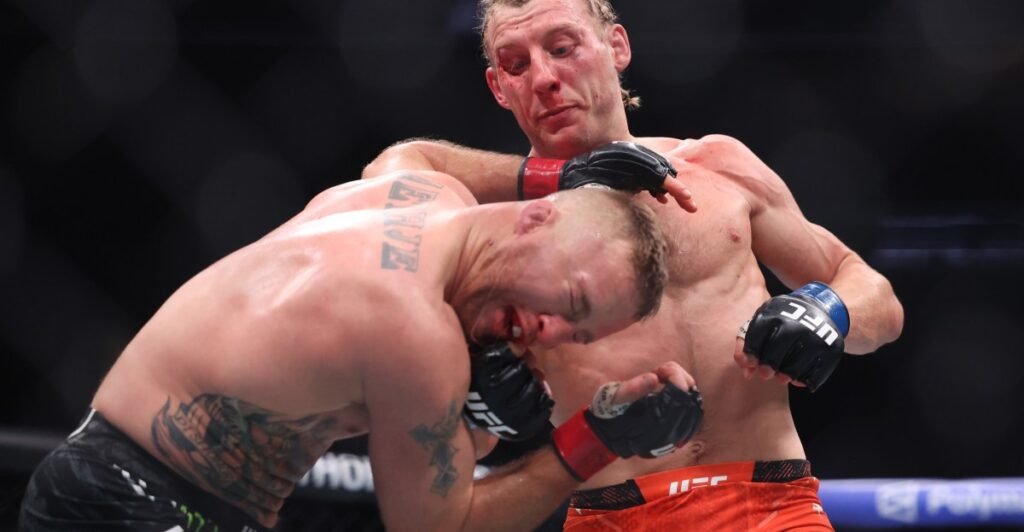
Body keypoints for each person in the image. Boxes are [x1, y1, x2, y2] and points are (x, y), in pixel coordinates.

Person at [362, 0, 906, 529]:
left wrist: (828, 310)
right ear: (498, 88)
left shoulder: (719, 167)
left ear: (616, 45)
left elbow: (877, 300)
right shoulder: (501, 233)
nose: (544, 78)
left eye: (562, 48)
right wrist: (480, 401)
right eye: (517, 64)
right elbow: (388, 176)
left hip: (774, 509)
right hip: (614, 517)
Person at [18, 169, 706, 532]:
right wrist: (595, 440)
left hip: (120, 478)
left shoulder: (414, 190)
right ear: (535, 219)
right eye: (571, 300)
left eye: (577, 335)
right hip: (136, 500)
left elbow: (421, 151)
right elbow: (437, 526)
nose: (549, 332)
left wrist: (555, 170)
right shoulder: (416, 333)